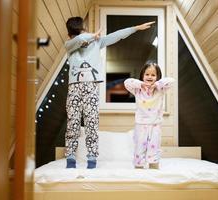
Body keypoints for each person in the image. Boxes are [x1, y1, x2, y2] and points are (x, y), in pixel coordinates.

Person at [64, 16, 155, 169]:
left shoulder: (97, 42)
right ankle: (70, 159)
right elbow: (76, 42)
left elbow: (117, 35)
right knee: (72, 123)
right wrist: (90, 35)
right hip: (74, 87)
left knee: (91, 123)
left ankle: (91, 159)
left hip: (91, 87)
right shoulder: (70, 45)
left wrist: (135, 28)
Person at [124, 62, 175, 169]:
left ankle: (154, 166)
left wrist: (157, 84)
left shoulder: (160, 89)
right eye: (147, 74)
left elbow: (171, 81)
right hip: (141, 124)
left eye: (153, 75)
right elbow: (127, 82)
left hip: (155, 124)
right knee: (139, 146)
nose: (150, 77)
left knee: (154, 146)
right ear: (142, 75)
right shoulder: (137, 89)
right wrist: (140, 84)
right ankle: (138, 166)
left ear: (157, 77)